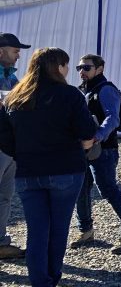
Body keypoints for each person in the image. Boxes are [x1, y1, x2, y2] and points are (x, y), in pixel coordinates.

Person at [0, 47, 97, 286]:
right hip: (66, 170)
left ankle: (39, 282)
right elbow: (87, 135)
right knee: (58, 230)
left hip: (28, 172)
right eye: (67, 65)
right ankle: (51, 278)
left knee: (37, 231)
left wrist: (23, 152)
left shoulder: (13, 98)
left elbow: (4, 140)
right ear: (58, 67)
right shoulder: (70, 95)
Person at [72, 54, 121, 254]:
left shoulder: (106, 89)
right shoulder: (83, 90)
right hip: (84, 149)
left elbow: (112, 118)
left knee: (108, 190)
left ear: (100, 69)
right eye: (79, 67)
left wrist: (96, 137)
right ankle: (86, 230)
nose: (81, 71)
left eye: (86, 67)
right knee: (81, 188)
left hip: (104, 149)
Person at [0, 33, 30, 260]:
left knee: (5, 196)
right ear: (1, 51)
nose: (19, 55)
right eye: (15, 51)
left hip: (10, 147)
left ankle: (1, 243)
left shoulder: (13, 79)